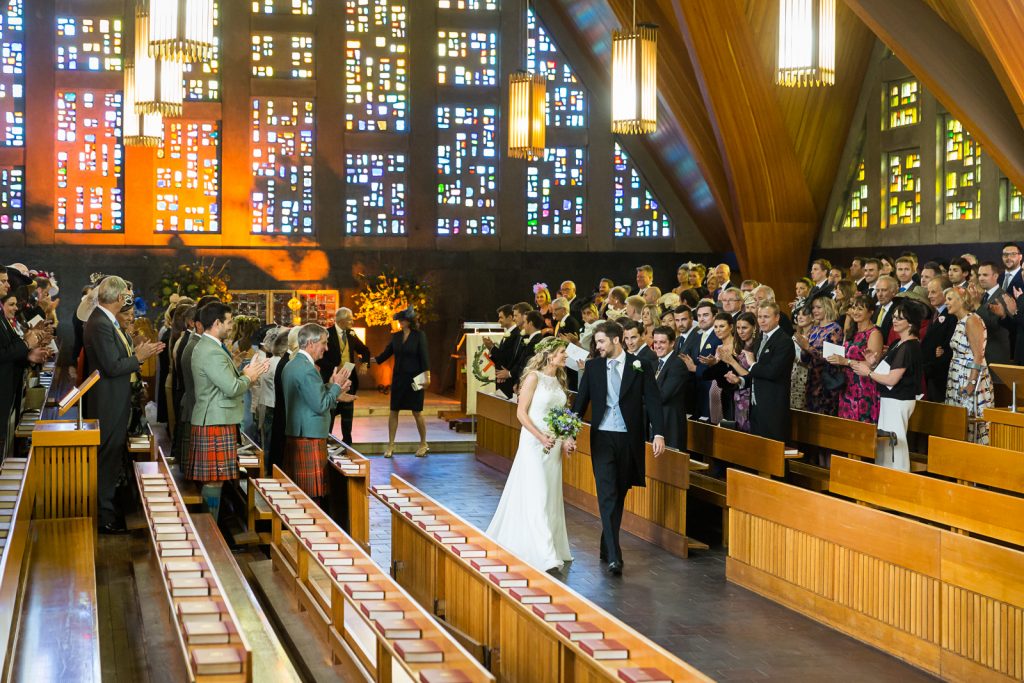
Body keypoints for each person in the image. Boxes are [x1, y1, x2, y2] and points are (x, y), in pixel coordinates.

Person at [573, 320, 664, 575]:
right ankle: (615, 555)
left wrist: (658, 433)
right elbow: (580, 403)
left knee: (620, 490)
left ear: (616, 340)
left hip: (628, 438)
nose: (597, 346)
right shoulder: (593, 367)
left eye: (601, 341)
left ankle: (606, 541)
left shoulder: (640, 365)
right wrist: (569, 433)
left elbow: (654, 401)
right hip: (602, 437)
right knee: (606, 493)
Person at [486, 337, 575, 573]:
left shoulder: (558, 379)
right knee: (538, 493)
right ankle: (545, 553)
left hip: (552, 444)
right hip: (534, 442)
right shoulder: (533, 377)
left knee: (550, 493)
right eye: (561, 352)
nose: (565, 356)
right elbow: (521, 413)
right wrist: (540, 437)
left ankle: (553, 545)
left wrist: (567, 438)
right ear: (549, 354)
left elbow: (561, 414)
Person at [84, 276, 163, 534]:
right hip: (107, 400)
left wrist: (139, 355)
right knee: (106, 455)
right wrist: (138, 358)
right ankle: (103, 515)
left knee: (112, 454)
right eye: (126, 296)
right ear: (120, 298)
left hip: (114, 397)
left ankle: (107, 508)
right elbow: (112, 366)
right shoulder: (99, 323)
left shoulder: (105, 320)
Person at [187, 303, 269, 521]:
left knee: (216, 479)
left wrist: (242, 373)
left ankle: (211, 529)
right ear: (217, 323)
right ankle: (209, 531)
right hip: (215, 420)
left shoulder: (210, 346)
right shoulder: (212, 351)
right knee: (213, 480)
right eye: (229, 322)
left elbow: (227, 382)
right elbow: (232, 388)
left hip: (216, 418)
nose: (232, 326)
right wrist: (249, 376)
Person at [851, 300, 924, 472]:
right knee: (885, 442)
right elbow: (886, 372)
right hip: (889, 399)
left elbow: (892, 379)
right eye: (894, 317)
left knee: (896, 441)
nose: (895, 321)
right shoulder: (898, 343)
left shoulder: (909, 346)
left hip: (899, 400)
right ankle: (884, 474)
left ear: (911, 323)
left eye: (900, 318)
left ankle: (899, 476)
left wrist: (867, 372)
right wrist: (873, 364)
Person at [283, 324, 352, 502]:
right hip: (309, 436)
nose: (326, 348)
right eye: (324, 343)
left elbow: (309, 396)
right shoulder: (307, 369)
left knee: (300, 496)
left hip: (299, 433)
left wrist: (331, 388)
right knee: (311, 499)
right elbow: (321, 404)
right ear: (311, 343)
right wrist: (336, 386)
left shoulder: (293, 364)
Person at [724, 302, 795, 442]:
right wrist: (741, 380)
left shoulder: (784, 341)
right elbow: (756, 373)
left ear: (777, 317)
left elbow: (773, 372)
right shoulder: (761, 339)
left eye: (766, 317)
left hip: (773, 406)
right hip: (755, 405)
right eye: (760, 317)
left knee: (774, 451)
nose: (761, 321)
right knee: (758, 450)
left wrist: (752, 364)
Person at [372, 308, 431, 458]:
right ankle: (391, 444)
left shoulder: (419, 336)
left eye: (402, 319)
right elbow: (386, 353)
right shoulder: (396, 336)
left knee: (417, 411)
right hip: (399, 378)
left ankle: (423, 443)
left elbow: (424, 356)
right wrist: (370, 360)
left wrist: (427, 376)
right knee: (394, 411)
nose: (399, 322)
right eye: (399, 319)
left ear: (409, 321)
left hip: (415, 378)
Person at [944, 287, 993, 444]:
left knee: (971, 422)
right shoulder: (960, 321)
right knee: (958, 424)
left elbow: (978, 355)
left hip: (970, 377)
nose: (946, 303)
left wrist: (971, 383)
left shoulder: (972, 320)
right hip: (957, 376)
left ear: (961, 300)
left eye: (950, 299)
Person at [827, 294, 881, 425]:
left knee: (861, 424)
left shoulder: (874, 333)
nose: (855, 312)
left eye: (860, 309)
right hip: (846, 384)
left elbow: (872, 364)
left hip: (863, 385)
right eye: (854, 308)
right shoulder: (852, 331)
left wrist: (846, 362)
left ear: (870, 312)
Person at [318, 307, 369, 445]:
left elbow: (364, 350)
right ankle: (325, 440)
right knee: (331, 411)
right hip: (331, 379)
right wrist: (334, 368)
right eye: (350, 319)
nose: (352, 321)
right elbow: (319, 358)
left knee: (348, 414)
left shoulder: (351, 334)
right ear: (341, 321)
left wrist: (364, 363)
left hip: (348, 381)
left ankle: (347, 442)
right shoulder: (327, 334)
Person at [684, 313, 736, 424]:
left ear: (731, 327)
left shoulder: (737, 346)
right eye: (716, 327)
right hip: (715, 390)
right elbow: (713, 374)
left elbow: (733, 371)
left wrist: (713, 365)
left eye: (722, 326)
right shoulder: (719, 347)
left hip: (731, 393)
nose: (718, 330)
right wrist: (712, 364)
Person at [796, 297, 844, 416]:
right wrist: (803, 349)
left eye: (818, 307)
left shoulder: (835, 329)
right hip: (812, 380)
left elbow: (831, 358)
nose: (814, 310)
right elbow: (806, 359)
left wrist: (808, 347)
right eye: (813, 308)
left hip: (826, 382)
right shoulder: (814, 329)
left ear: (827, 308)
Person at [679, 300, 721, 419]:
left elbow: (719, 369)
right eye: (699, 315)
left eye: (706, 315)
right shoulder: (697, 336)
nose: (701, 319)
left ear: (715, 316)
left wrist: (694, 368)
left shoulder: (719, 336)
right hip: (696, 394)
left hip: (712, 394)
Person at [719, 311, 758, 432]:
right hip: (738, 394)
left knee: (750, 430)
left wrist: (732, 362)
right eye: (738, 328)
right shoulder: (739, 346)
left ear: (754, 327)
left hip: (752, 396)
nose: (740, 331)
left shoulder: (758, 347)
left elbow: (752, 374)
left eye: (745, 328)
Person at [651, 326, 688, 449]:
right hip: (656, 423)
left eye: (662, 342)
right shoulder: (655, 363)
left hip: (670, 425)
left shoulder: (677, 365)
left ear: (672, 343)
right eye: (655, 342)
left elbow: (663, 396)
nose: (658, 346)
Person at [921, 277, 956, 402]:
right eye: (929, 292)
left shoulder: (952, 315)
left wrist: (943, 352)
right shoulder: (935, 313)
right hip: (931, 374)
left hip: (942, 375)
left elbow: (949, 345)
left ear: (946, 293)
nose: (929, 296)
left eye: (933, 292)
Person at [484, 304, 523, 399]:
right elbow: (502, 355)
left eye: (501, 317)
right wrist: (491, 350)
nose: (498, 321)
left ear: (510, 317)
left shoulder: (516, 334)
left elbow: (508, 358)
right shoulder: (508, 333)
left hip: (507, 379)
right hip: (501, 377)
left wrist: (492, 348)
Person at [790, 304, 812, 410]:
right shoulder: (795, 335)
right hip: (793, 374)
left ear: (812, 317)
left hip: (806, 375)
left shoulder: (814, 335)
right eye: (798, 314)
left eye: (804, 314)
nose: (800, 317)